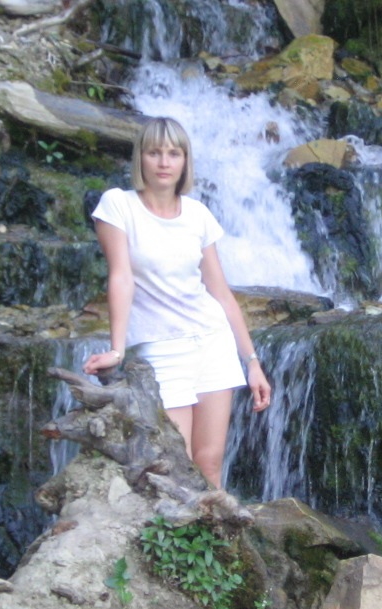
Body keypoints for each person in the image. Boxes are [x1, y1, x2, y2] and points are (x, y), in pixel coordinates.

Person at [82, 116, 271, 488]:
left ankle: (215, 528)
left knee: (209, 462)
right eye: (154, 152)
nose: (164, 162)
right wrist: (117, 349)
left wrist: (252, 362)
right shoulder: (118, 205)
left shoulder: (198, 214)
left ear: (185, 161)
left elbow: (220, 293)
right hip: (160, 345)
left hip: (212, 342)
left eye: (174, 153)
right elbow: (120, 276)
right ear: (141, 158)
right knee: (174, 462)